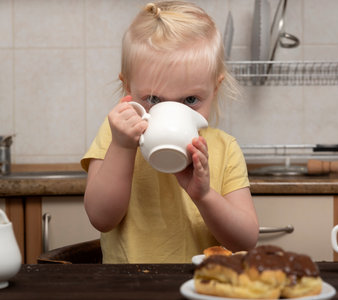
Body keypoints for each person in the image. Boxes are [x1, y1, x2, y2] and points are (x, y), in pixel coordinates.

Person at [81, 1, 259, 263]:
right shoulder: (115, 137)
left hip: (203, 286)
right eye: (154, 99)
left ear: (215, 89)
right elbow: (101, 219)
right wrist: (122, 147)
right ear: (128, 87)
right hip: (128, 287)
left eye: (190, 100)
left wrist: (205, 195)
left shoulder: (224, 147)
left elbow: (245, 240)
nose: (172, 112)